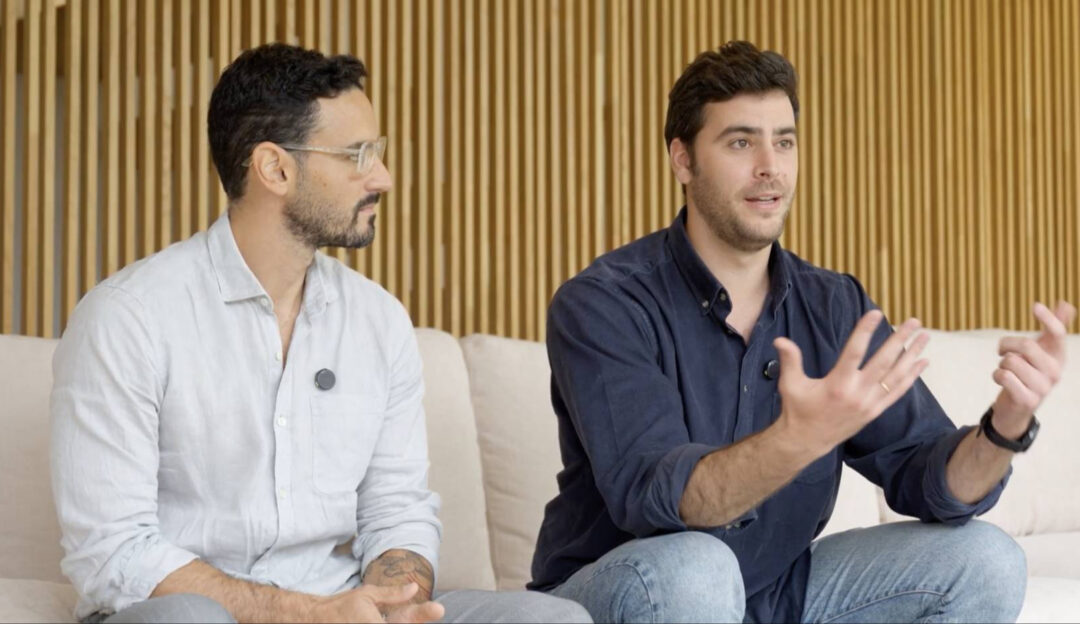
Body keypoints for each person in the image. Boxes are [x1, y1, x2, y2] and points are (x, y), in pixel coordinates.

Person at [528, 40, 1075, 623]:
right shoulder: (604, 303)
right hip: (629, 591)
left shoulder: (832, 306)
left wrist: (1005, 427)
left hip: (778, 595)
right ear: (682, 161)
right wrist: (798, 439)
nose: (771, 166)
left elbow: (928, 479)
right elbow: (656, 499)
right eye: (741, 142)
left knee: (986, 560)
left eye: (784, 142)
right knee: (697, 568)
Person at [51, 43, 591, 624]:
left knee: (553, 621)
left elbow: (397, 510)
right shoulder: (128, 318)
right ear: (275, 169)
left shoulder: (377, 320)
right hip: (198, 612)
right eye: (359, 155)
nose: (382, 177)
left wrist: (393, 602)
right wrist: (306, 613)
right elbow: (115, 551)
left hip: (342, 609)